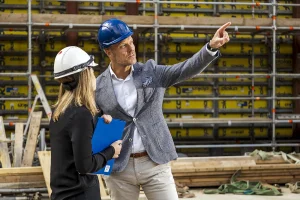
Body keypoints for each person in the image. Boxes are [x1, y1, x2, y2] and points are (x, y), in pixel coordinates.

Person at [95, 18, 231, 200]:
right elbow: (92, 125)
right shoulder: (98, 86)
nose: (131, 48)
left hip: (154, 163)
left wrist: (211, 48)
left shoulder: (152, 72)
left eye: (131, 42)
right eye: (123, 46)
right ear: (108, 51)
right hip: (120, 170)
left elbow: (184, 69)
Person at [49, 46, 122, 200]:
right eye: (91, 70)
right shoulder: (81, 114)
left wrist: (99, 122)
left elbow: (72, 148)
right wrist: (111, 150)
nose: (94, 74)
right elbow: (85, 166)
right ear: (85, 74)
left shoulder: (59, 112)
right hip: (80, 195)